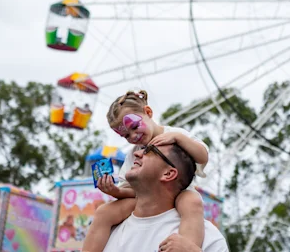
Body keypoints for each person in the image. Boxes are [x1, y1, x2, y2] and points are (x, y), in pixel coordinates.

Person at [82, 90, 209, 251]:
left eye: (134, 127)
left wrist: (178, 138)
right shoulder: (133, 153)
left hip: (179, 193)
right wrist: (115, 191)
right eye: (126, 136)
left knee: (192, 202)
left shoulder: (174, 134)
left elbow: (202, 157)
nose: (133, 136)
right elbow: (131, 190)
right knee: (104, 212)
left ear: (148, 112)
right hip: (146, 199)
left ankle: (186, 247)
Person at [102, 142, 228, 251]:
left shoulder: (207, 237)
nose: (137, 153)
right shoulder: (107, 228)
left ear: (168, 173)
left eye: (150, 151)